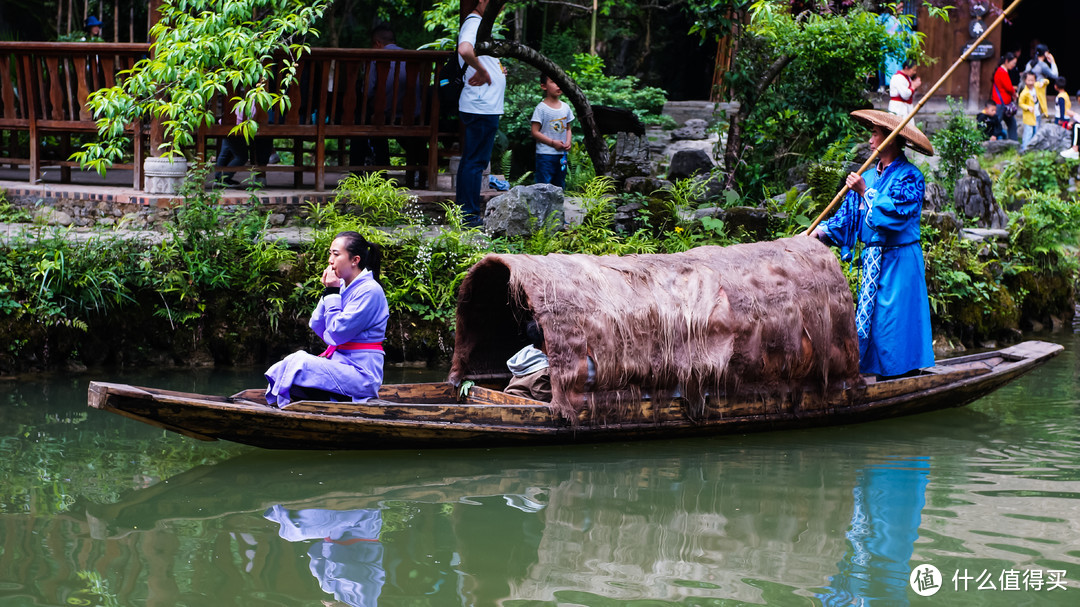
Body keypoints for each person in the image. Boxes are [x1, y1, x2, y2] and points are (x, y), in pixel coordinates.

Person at [810, 109, 934, 378]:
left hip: (900, 261)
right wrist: (817, 234)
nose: (870, 140)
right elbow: (846, 219)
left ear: (890, 138)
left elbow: (897, 214)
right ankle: (874, 374)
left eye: (875, 134)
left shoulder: (910, 177)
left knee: (893, 322)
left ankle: (901, 376)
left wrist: (866, 192)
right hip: (873, 261)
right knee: (870, 320)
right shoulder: (868, 175)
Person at [265, 231, 389, 406]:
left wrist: (332, 292)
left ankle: (339, 399)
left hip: (362, 374)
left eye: (336, 254)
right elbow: (316, 323)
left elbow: (336, 333)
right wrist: (330, 291)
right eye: (330, 253)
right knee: (286, 365)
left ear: (355, 260)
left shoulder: (370, 291)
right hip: (341, 364)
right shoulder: (344, 286)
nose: (330, 260)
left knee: (299, 362)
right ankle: (333, 399)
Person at [456, 0, 506, 227]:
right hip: (480, 105)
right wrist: (483, 71)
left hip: (485, 105)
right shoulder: (474, 22)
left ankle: (468, 213)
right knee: (474, 162)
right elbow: (465, 49)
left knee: (475, 161)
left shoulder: (480, 24)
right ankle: (468, 216)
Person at [530, 74, 574, 188]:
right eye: (553, 82)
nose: (558, 85)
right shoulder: (541, 108)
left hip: (561, 155)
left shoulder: (566, 107)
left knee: (559, 184)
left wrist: (568, 141)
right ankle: (541, 206)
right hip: (545, 155)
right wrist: (552, 143)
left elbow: (568, 128)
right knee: (543, 186)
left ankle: (557, 206)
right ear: (544, 86)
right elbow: (535, 132)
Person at [504, 320, 551, 402]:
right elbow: (547, 399)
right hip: (520, 408)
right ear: (546, 341)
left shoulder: (527, 358)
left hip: (509, 401)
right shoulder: (542, 371)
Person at [1026, 43, 1059, 127]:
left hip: (1028, 92)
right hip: (1038, 94)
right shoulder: (1042, 65)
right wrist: (1053, 62)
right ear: (1045, 53)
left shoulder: (1030, 63)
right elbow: (1055, 75)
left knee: (1030, 116)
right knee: (1037, 117)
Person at [992, 52, 1019, 141]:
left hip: (1004, 104)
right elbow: (1008, 87)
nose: (1014, 65)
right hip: (1001, 103)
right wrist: (1014, 93)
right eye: (1013, 63)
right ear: (1007, 61)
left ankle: (1013, 143)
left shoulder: (1001, 71)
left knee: (1012, 123)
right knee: (997, 124)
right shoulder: (1002, 71)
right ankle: (990, 143)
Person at [1018, 71, 1045, 152]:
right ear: (1025, 81)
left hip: (1037, 114)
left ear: (1035, 80)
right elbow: (1020, 103)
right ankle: (1024, 149)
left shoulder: (1036, 87)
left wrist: (1042, 82)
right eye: (1028, 80)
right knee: (1028, 133)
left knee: (1036, 132)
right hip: (1029, 116)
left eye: (1032, 80)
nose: (1030, 82)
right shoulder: (1024, 93)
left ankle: (1034, 148)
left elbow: (1046, 82)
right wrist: (1027, 107)